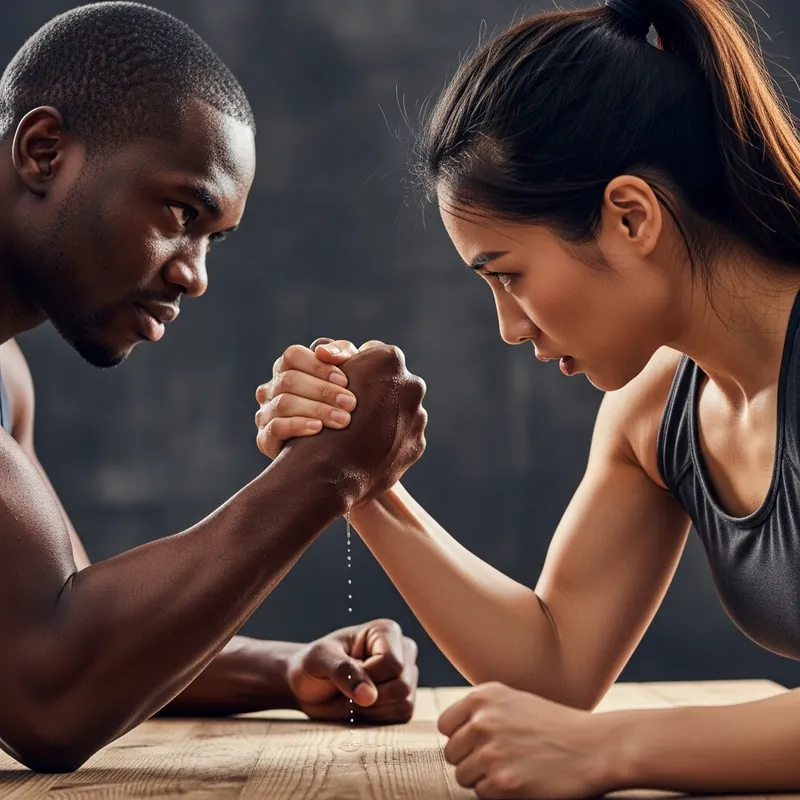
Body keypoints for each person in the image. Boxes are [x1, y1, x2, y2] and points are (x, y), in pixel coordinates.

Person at [257, 0, 800, 796]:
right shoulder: (655, 413)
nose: (510, 328)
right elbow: (552, 671)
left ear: (629, 216)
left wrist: (610, 749)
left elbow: (571, 724)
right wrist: (356, 472)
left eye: (507, 273)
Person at [0, 2, 428, 774]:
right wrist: (327, 471)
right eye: (179, 211)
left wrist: (288, 667)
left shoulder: (6, 379)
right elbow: (49, 696)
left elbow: (77, 631)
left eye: (213, 237)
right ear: (43, 151)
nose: (194, 274)